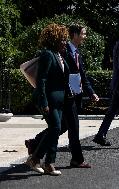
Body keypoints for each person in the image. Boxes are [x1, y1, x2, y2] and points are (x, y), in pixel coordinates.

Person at [25, 24, 99, 169]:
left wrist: (90, 92)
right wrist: (44, 100)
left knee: (61, 127)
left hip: (68, 95)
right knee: (64, 127)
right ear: (75, 35)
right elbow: (43, 79)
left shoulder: (68, 52)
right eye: (83, 34)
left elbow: (80, 75)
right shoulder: (56, 52)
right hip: (59, 97)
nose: (85, 37)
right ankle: (66, 159)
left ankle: (40, 151)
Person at [26, 23, 69, 175]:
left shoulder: (59, 55)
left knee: (57, 129)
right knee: (55, 128)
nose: (65, 42)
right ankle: (36, 159)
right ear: (55, 39)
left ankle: (48, 162)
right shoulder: (47, 54)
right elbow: (41, 80)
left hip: (59, 100)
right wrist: (44, 102)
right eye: (63, 39)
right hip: (48, 101)